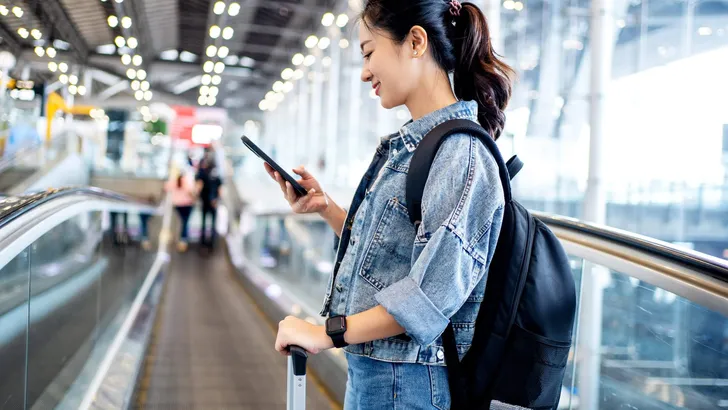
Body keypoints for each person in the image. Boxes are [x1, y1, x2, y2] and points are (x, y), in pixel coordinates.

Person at [269, 1, 514, 408]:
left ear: (415, 42)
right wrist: (326, 207)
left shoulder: (461, 155)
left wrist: (325, 332)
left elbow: (427, 300)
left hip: (410, 386)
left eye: (368, 52)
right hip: (384, 376)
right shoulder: (420, 146)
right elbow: (392, 259)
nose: (365, 71)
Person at [165, 167, 196, 252]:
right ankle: (183, 241)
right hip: (187, 205)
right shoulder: (187, 181)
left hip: (177, 205)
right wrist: (194, 199)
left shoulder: (173, 181)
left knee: (179, 222)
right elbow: (191, 192)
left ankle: (176, 238)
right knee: (185, 223)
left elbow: (165, 188)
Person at [196, 153, 222, 251]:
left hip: (205, 202)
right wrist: (217, 200)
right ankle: (211, 244)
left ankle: (203, 244)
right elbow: (220, 190)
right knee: (212, 224)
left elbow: (199, 187)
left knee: (203, 223)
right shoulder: (216, 174)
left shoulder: (201, 173)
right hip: (214, 202)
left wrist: (196, 196)